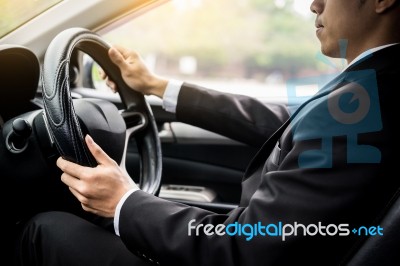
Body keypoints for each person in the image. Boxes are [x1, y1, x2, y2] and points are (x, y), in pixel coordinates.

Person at [16, 0, 400, 265]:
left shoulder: (368, 104)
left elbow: (246, 252)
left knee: (44, 230)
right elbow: (282, 121)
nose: (314, 4)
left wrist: (124, 201)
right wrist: (157, 86)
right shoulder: (373, 90)